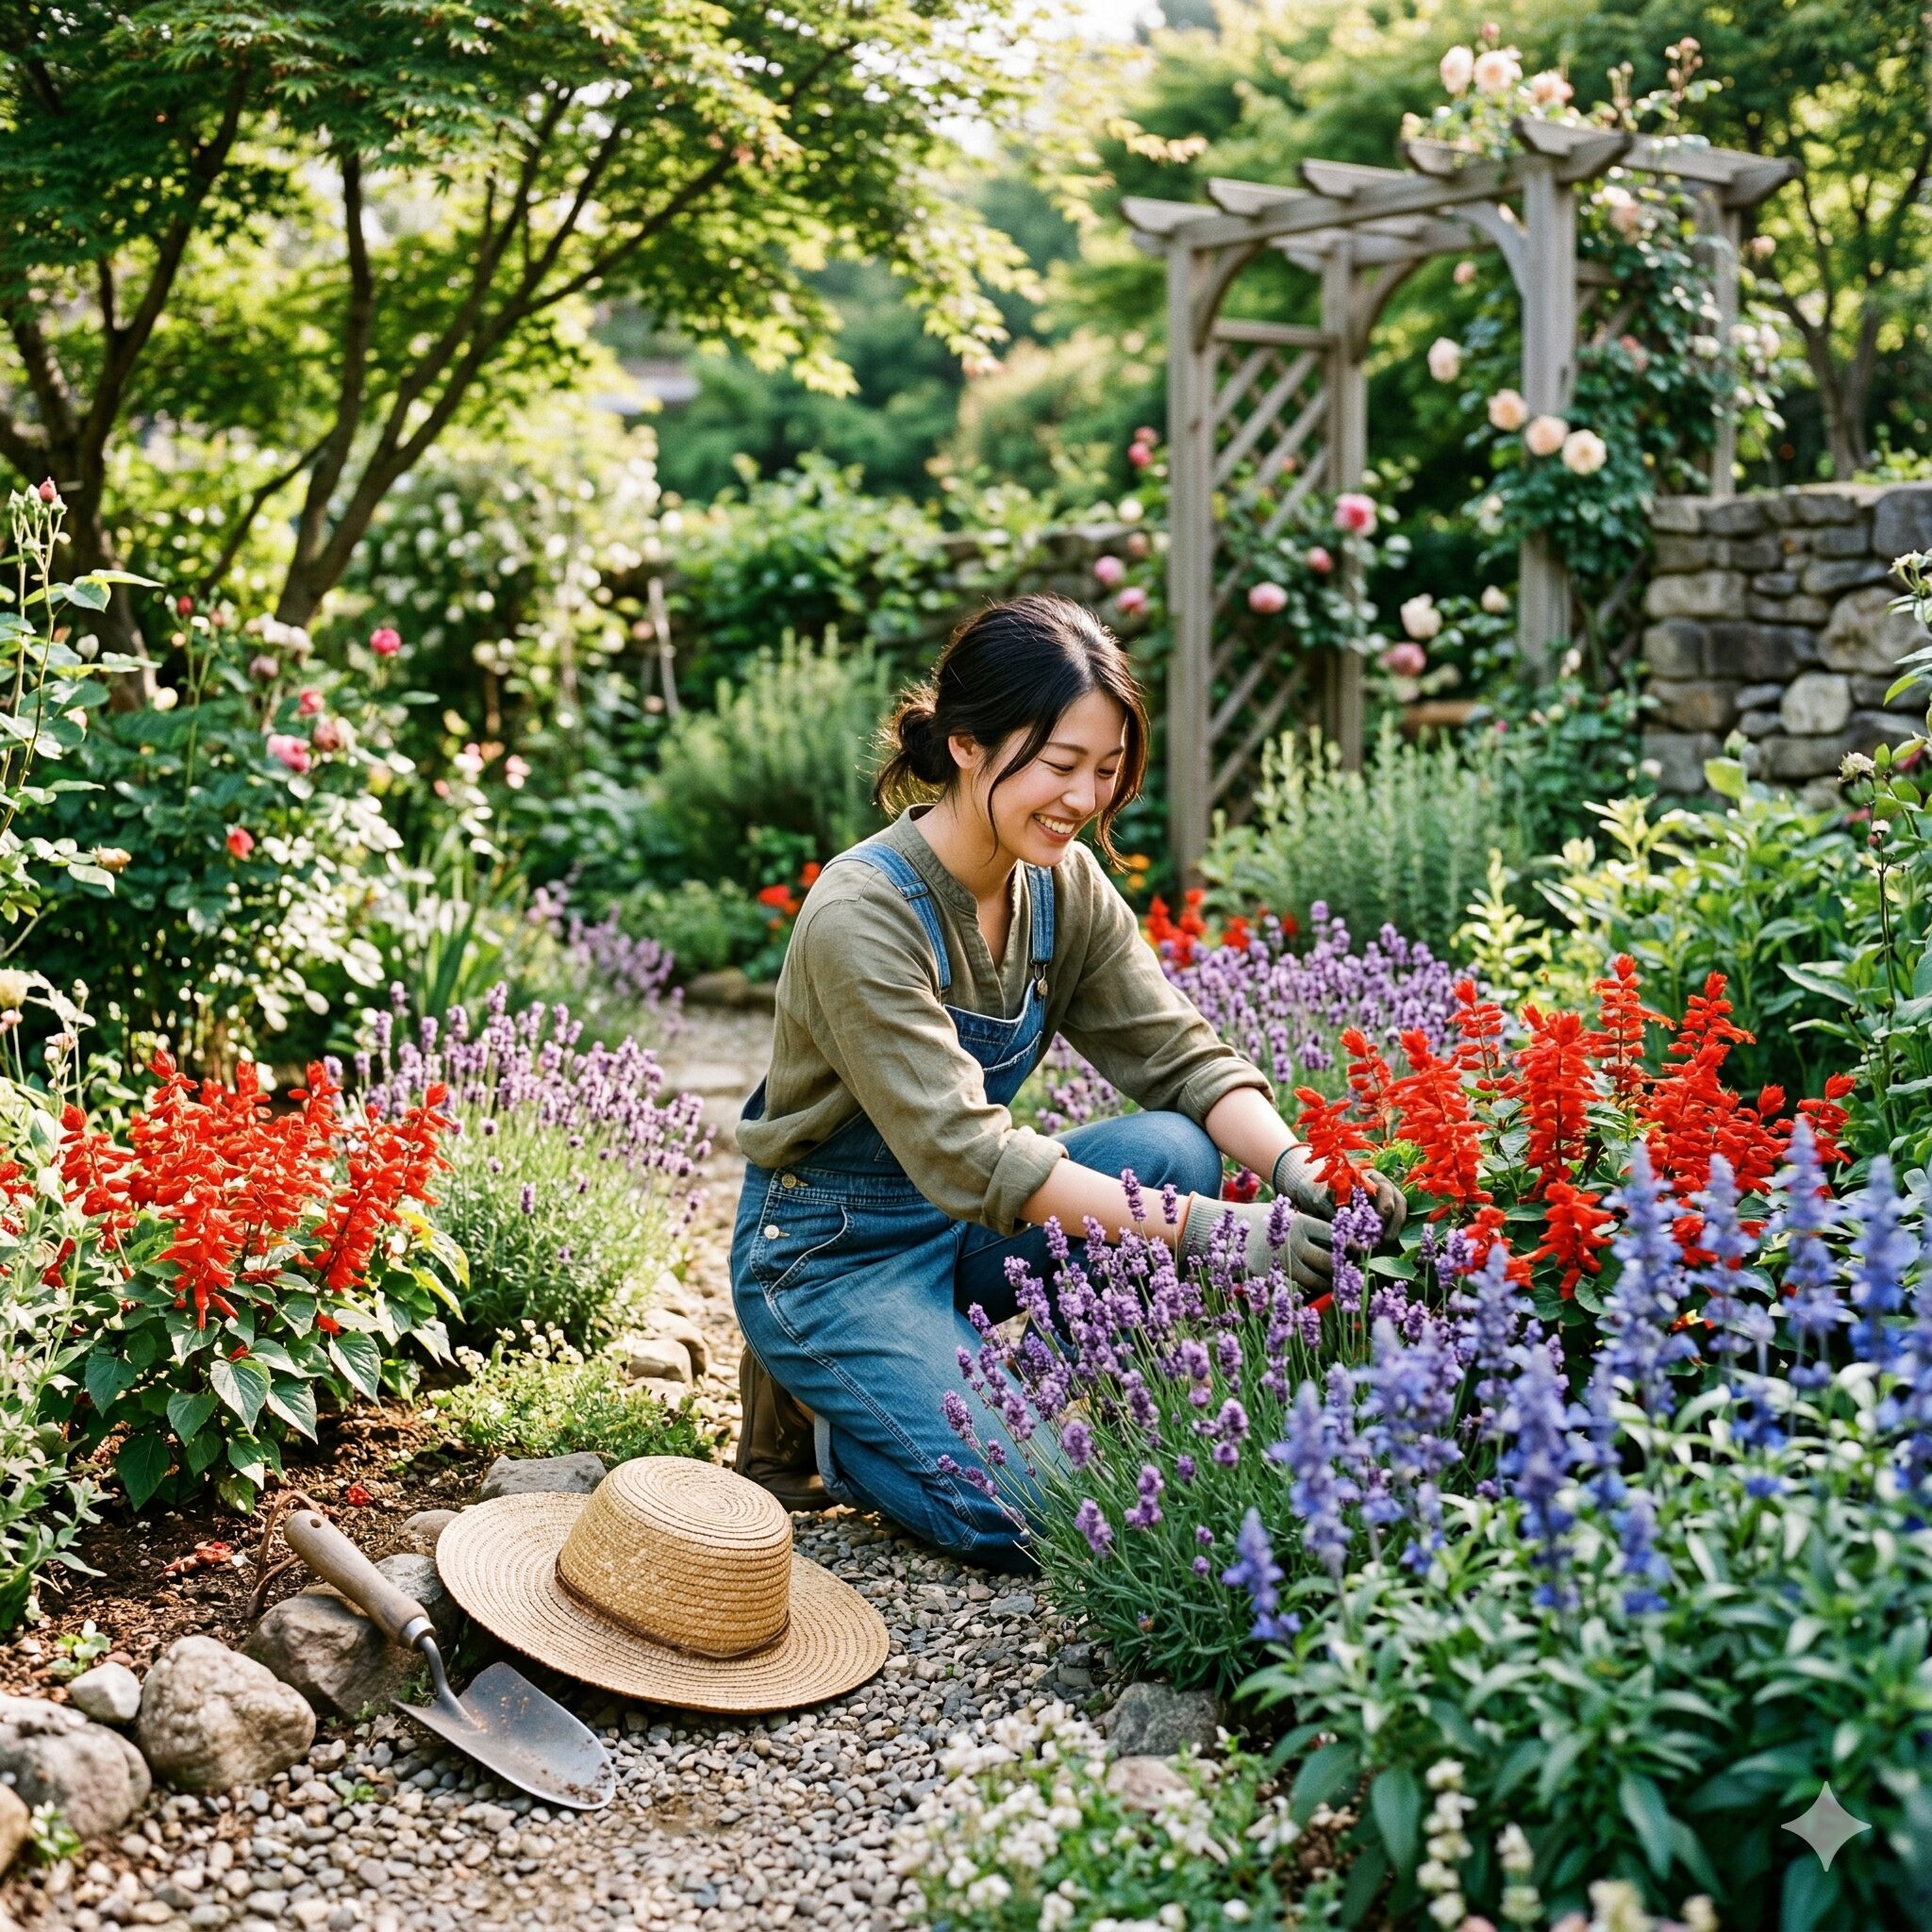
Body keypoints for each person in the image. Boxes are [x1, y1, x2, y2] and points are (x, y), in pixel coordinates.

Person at [729, 593, 1403, 1567]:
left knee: (1175, 1147)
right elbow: (971, 1150)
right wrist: (1225, 1234)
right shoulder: (861, 914)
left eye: (1103, 768)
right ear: (966, 743)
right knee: (1045, 1510)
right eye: (1057, 764)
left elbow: (1177, 1052)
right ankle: (840, 1429)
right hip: (828, 1250)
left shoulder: (1061, 885)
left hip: (953, 1226)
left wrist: (1304, 1170)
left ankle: (930, 1384)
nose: (1082, 798)